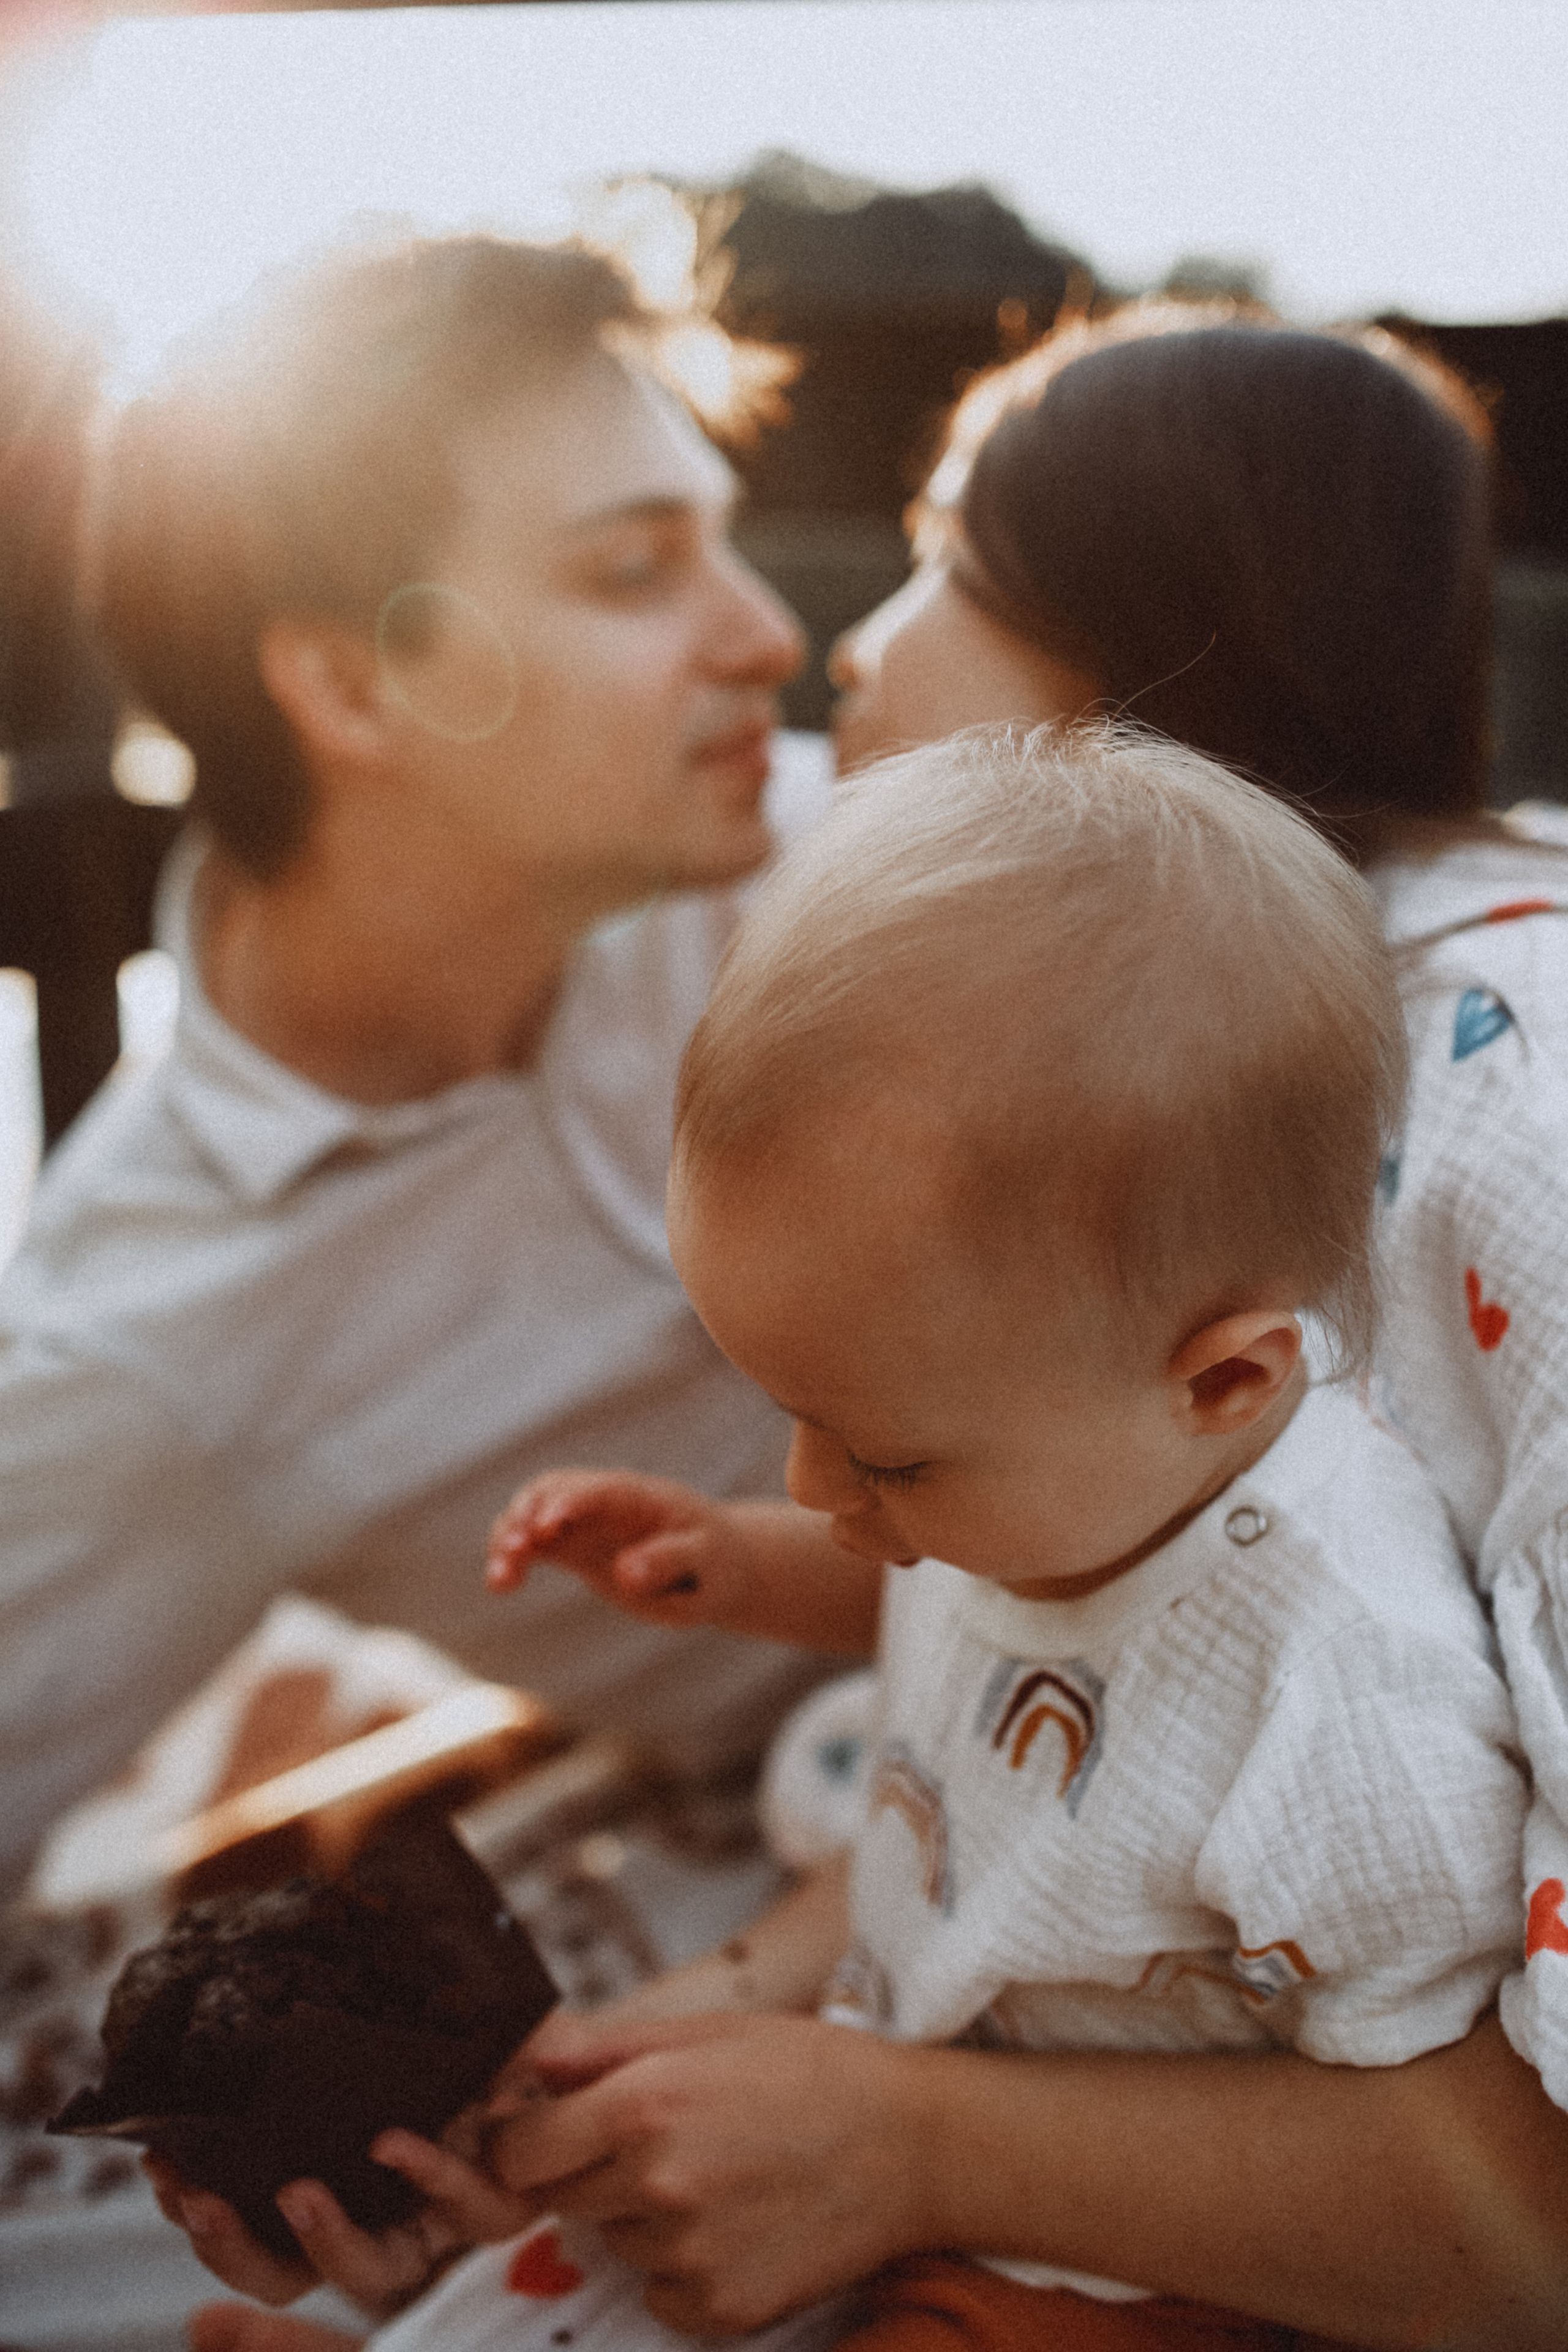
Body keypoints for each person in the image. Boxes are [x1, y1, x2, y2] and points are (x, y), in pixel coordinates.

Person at [183, 311, 1568, 2351]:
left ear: (1133, 659)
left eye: (944, 556)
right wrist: (706, 2047)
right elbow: (1080, 1681)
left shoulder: (1494, 1111)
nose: (843, 644)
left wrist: (920, 2149)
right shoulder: (1115, 1033)